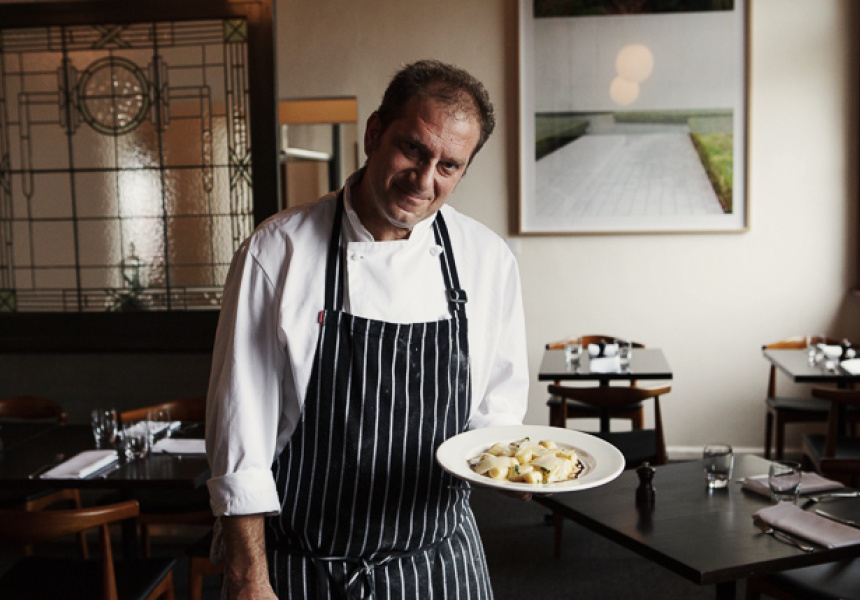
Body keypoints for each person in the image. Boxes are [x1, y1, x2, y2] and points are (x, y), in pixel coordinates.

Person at [206, 59, 529, 599]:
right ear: (375, 131)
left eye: (449, 166)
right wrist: (247, 575)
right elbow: (240, 435)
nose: (424, 181)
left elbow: (495, 413)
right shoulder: (277, 252)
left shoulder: (487, 260)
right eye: (414, 150)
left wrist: (513, 465)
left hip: (439, 561)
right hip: (308, 567)